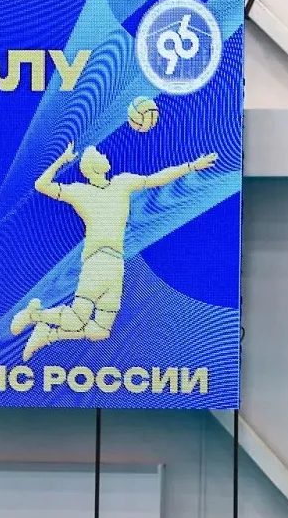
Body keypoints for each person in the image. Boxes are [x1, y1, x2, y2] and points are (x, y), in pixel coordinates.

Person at [11, 142, 218, 361]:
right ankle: (33, 315)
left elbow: (157, 179)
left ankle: (48, 334)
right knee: (77, 319)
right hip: (97, 261)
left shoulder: (122, 183)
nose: (105, 156)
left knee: (100, 331)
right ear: (92, 166)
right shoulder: (80, 192)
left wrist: (192, 166)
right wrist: (62, 160)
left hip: (116, 263)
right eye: (99, 155)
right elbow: (41, 185)